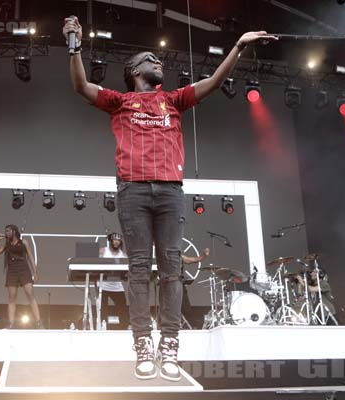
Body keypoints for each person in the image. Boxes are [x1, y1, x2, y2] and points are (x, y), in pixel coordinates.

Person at [63, 16, 277, 380]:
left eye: (159, 61)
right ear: (133, 70)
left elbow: (214, 83)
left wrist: (238, 46)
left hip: (170, 192)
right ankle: (142, 343)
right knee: (140, 270)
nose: (159, 63)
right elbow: (82, 85)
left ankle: (170, 344)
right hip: (132, 190)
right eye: (151, 59)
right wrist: (74, 45)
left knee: (172, 270)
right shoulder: (121, 102)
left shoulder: (174, 100)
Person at [0, 224, 43, 329]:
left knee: (30, 295)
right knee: (11, 298)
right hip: (12, 270)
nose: (6, 233)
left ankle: (38, 322)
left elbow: (31, 257)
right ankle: (11, 323)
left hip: (24, 268)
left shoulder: (23, 242)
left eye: (8, 231)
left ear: (14, 232)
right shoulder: (7, 244)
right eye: (5, 231)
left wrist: (35, 272)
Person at [99, 232, 128, 329]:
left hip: (117, 286)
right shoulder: (103, 251)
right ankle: (102, 327)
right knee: (103, 308)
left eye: (119, 240)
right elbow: (94, 264)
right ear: (110, 241)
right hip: (103, 285)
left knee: (122, 307)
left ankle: (123, 328)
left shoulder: (123, 255)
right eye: (115, 240)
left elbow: (126, 270)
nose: (116, 242)